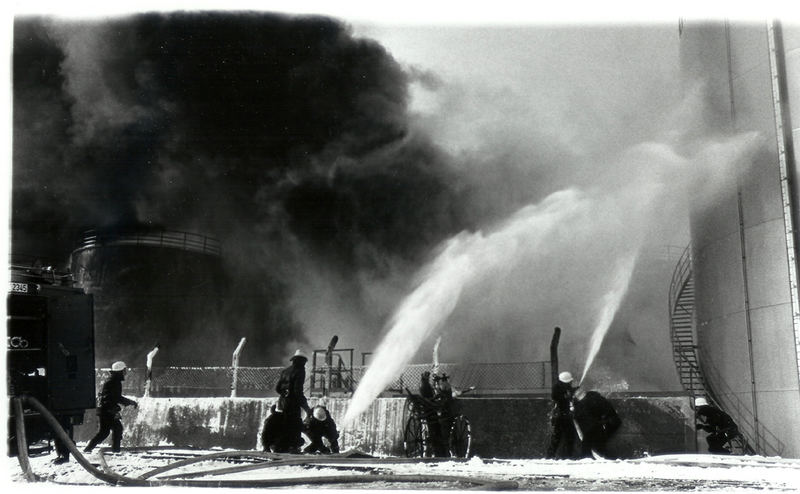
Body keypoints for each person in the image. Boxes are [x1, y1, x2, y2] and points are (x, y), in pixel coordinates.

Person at [84, 361, 138, 453]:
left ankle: (88, 449)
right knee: (117, 429)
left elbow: (113, 398)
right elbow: (115, 398)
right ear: (120, 371)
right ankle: (115, 451)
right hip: (107, 410)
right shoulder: (114, 382)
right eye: (124, 370)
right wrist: (130, 402)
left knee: (104, 432)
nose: (125, 372)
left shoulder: (113, 381)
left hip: (106, 410)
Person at [274, 349, 312, 453]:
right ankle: (293, 448)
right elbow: (297, 392)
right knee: (295, 426)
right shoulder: (300, 371)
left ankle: (279, 447)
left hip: (281, 403)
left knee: (282, 425)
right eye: (304, 362)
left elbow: (277, 388)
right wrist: (306, 408)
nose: (304, 364)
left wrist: (284, 393)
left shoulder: (285, 371)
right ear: (301, 361)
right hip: (292, 404)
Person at [571, 388, 622, 459]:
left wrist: (573, 409)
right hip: (605, 423)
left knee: (591, 443)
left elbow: (587, 415)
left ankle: (587, 457)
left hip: (604, 423)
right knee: (597, 445)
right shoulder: (592, 398)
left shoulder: (589, 401)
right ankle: (607, 458)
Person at [546, 371, 578, 459]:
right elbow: (556, 397)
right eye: (569, 382)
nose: (570, 383)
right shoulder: (557, 388)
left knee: (562, 436)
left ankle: (553, 455)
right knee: (563, 436)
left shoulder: (564, 387)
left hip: (564, 415)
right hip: (561, 415)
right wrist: (567, 396)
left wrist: (574, 390)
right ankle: (554, 456)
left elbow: (569, 392)